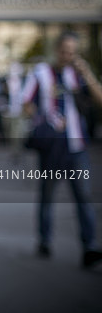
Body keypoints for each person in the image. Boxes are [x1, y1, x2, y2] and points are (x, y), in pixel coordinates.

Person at [21, 31, 102, 268]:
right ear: (57, 50)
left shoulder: (78, 75)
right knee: (47, 195)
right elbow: (26, 103)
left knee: (83, 197)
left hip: (76, 145)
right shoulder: (40, 73)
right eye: (65, 51)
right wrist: (44, 121)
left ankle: (89, 247)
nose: (68, 56)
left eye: (72, 52)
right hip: (51, 147)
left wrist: (86, 73)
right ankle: (44, 240)